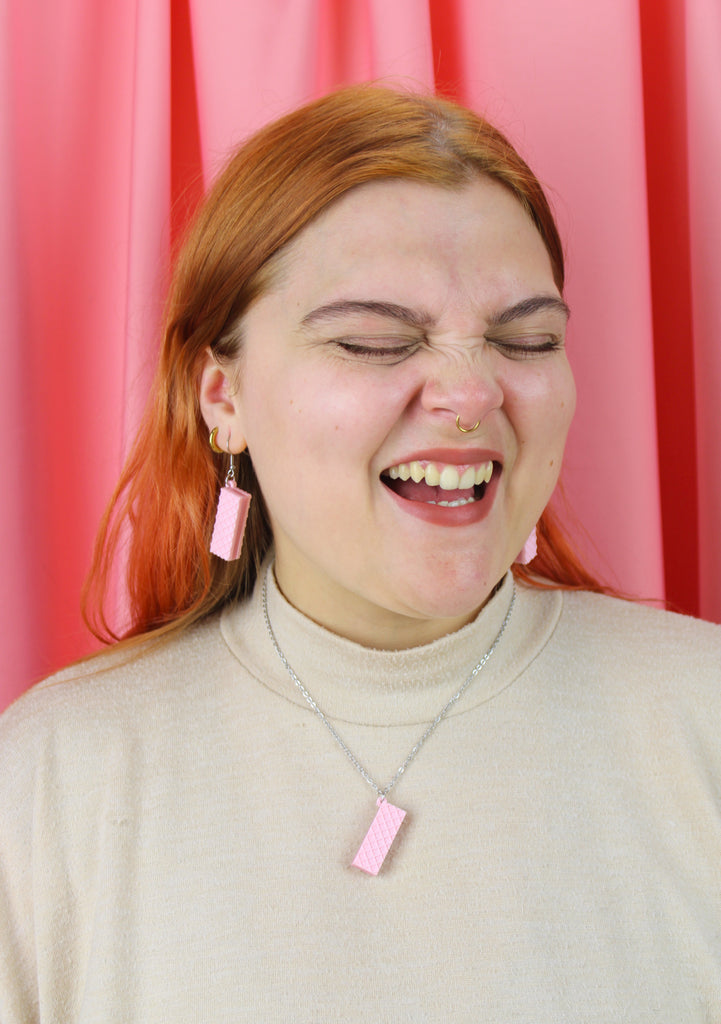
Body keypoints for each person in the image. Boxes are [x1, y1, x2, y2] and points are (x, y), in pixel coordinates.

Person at [1, 85, 720, 1023]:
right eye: (374, 341)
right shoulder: (54, 779)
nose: (470, 396)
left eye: (526, 338)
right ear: (223, 397)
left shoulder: (699, 714)